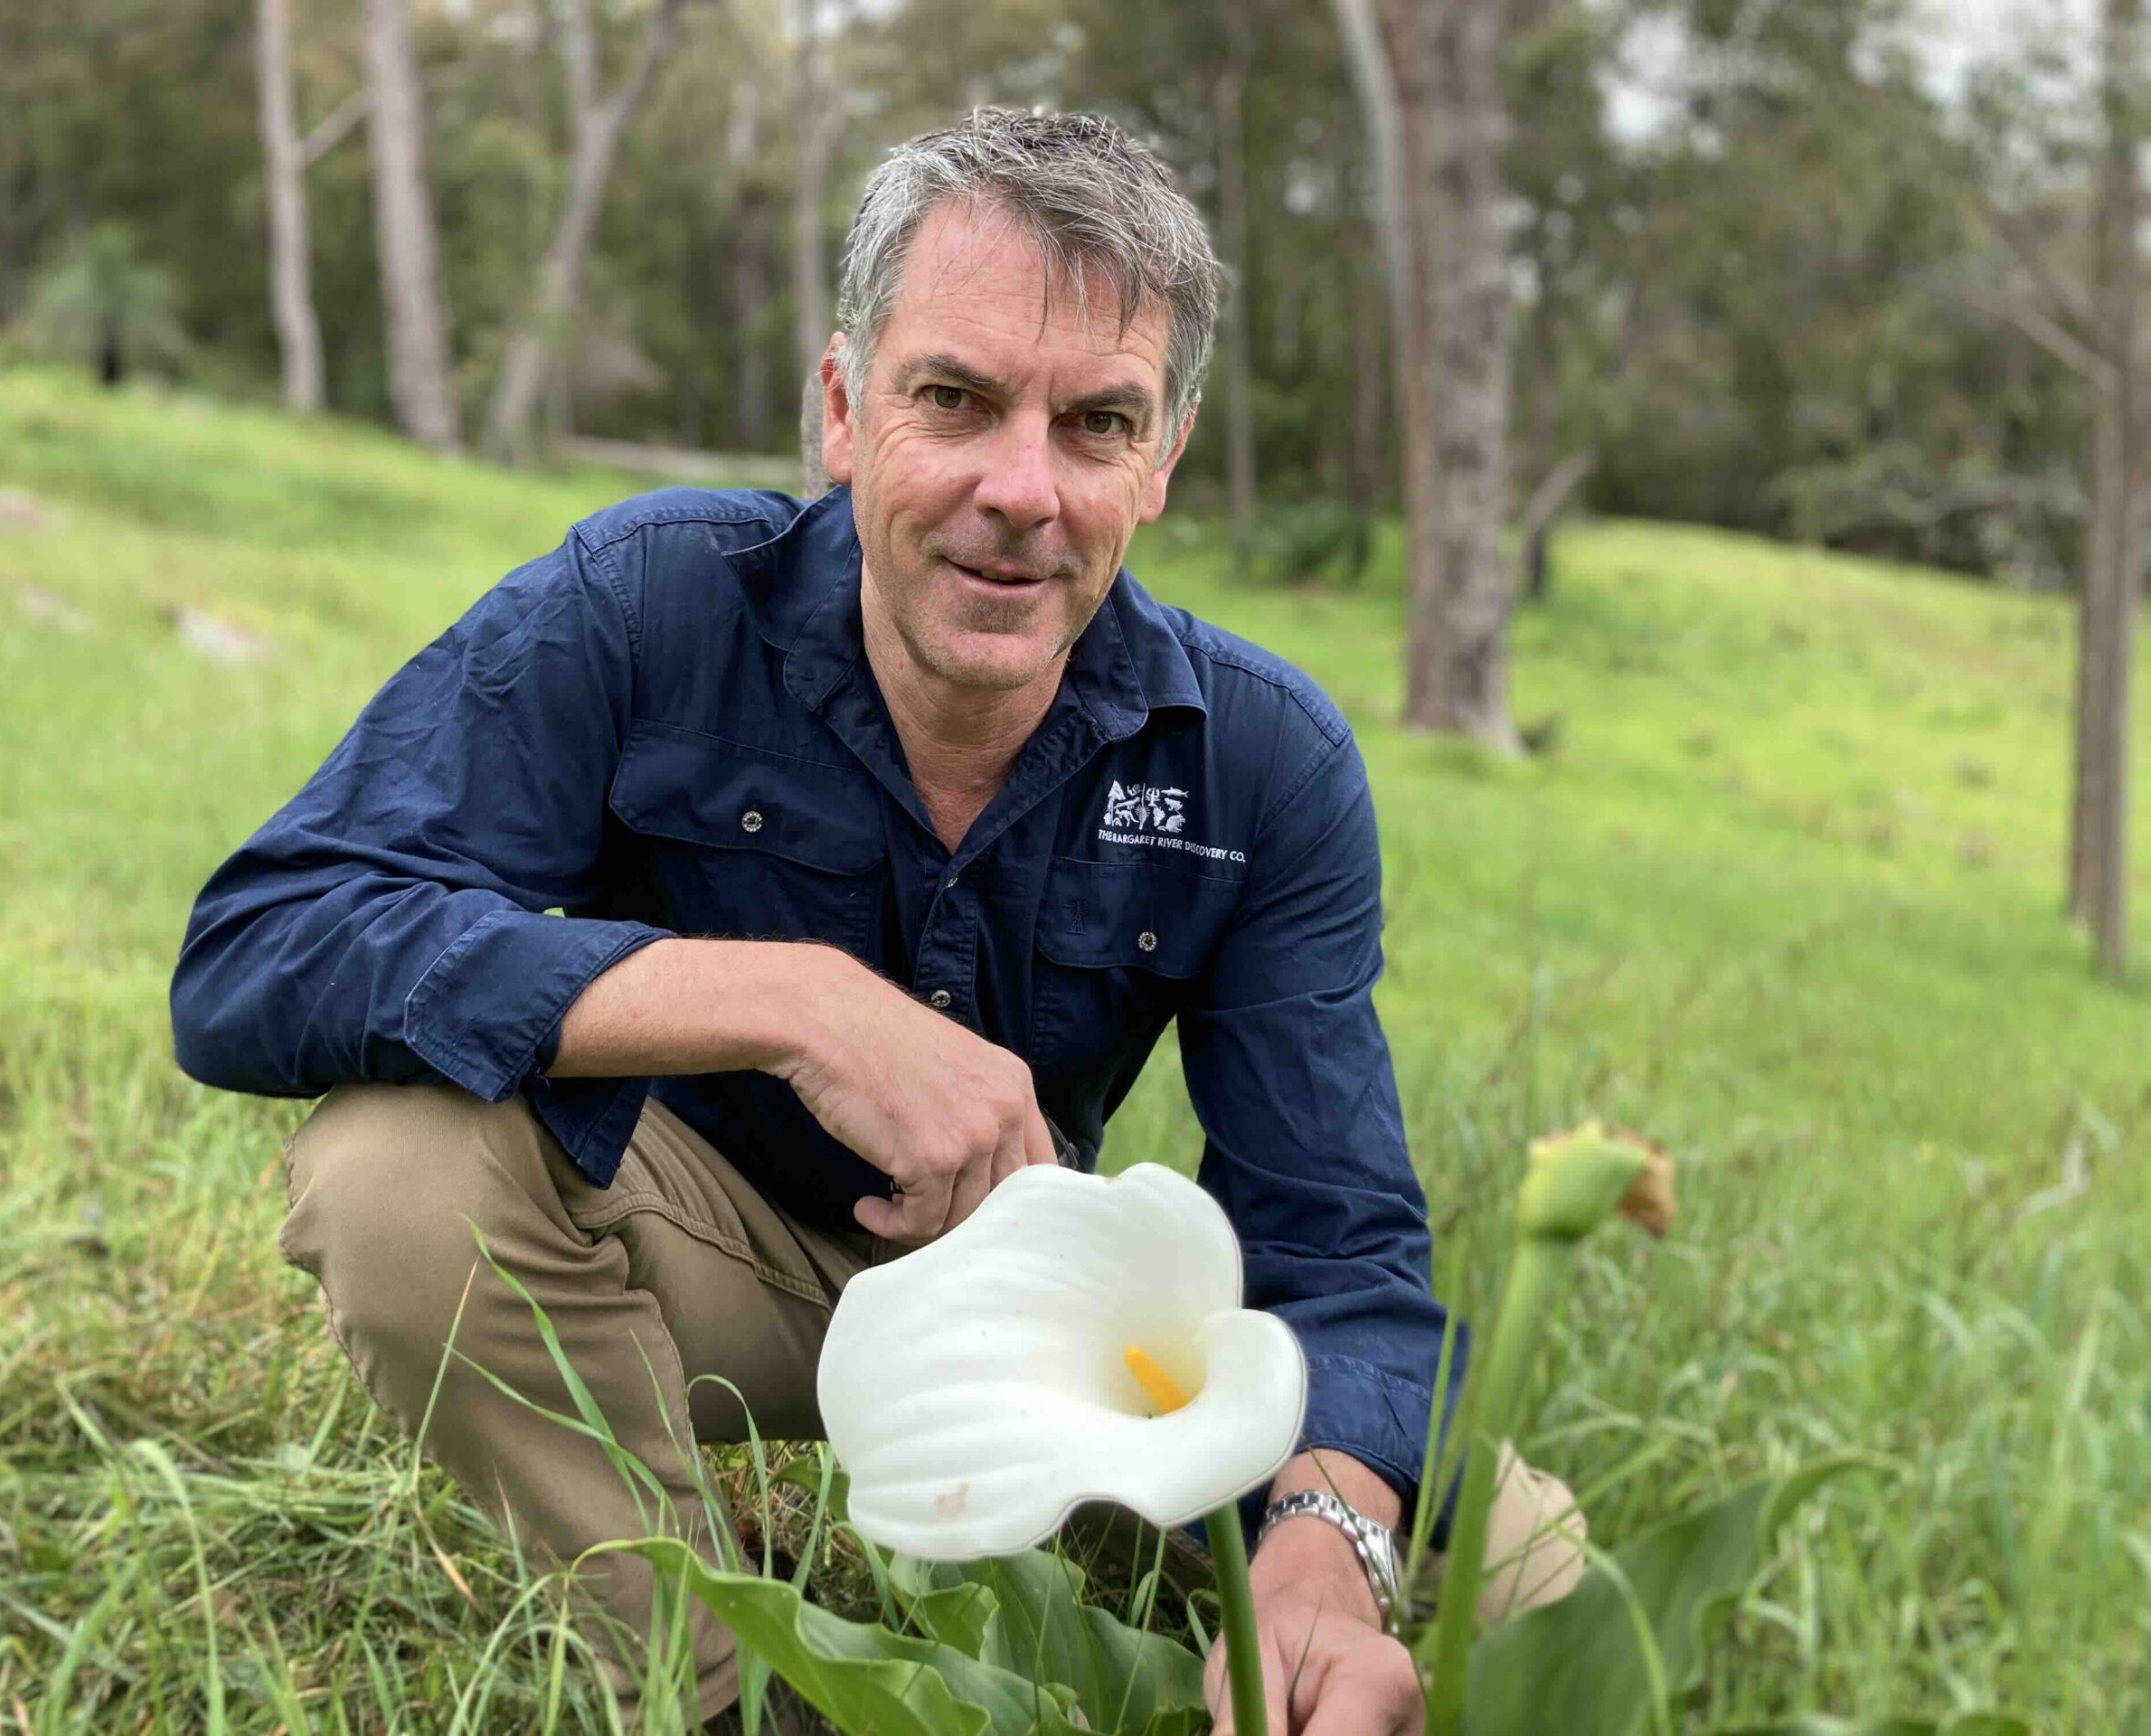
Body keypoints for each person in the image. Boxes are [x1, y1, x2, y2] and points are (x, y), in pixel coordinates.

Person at [172, 108, 1580, 1734]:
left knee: (1528, 1569)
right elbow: (264, 945)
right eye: (956, 400)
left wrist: (1325, 1546)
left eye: (1098, 422)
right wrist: (794, 1002)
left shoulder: (1263, 762)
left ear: (1164, 460)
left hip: (1056, 1329)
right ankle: (718, 1693)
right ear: (843, 407)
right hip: (716, 1263)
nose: (1022, 491)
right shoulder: (650, 603)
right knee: (398, 1181)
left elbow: (1338, 1243)